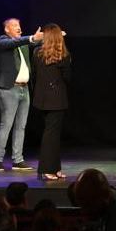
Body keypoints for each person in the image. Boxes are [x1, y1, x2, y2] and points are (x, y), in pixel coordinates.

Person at [0, 17, 45, 172]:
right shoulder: (2, 41)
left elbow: (37, 42)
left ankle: (18, 160)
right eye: (14, 25)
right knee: (6, 124)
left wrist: (52, 35)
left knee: (21, 126)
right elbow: (18, 42)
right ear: (7, 29)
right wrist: (31, 38)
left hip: (24, 89)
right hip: (9, 89)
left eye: (19, 25)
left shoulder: (22, 44)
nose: (18, 27)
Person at [32, 24, 72, 181]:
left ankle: (55, 168)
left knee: (52, 134)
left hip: (42, 99)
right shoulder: (63, 55)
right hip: (55, 100)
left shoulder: (37, 53)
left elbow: (34, 74)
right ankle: (47, 169)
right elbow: (68, 77)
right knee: (51, 135)